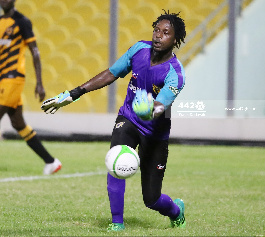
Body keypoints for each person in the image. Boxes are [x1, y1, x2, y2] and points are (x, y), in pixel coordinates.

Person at [41, 10, 186, 231]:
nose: (158, 36)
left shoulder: (175, 73)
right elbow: (111, 73)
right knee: (115, 160)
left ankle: (176, 211)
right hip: (127, 119)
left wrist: (149, 111)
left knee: (151, 199)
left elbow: (161, 105)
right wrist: (75, 93)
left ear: (175, 40)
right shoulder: (139, 49)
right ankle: (117, 222)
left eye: (166, 33)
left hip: (155, 134)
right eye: (156, 30)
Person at [0, 0, 61, 175]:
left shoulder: (22, 22)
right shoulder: (1, 21)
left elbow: (34, 51)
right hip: (3, 79)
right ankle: (51, 162)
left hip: (13, 79)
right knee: (18, 124)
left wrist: (40, 83)